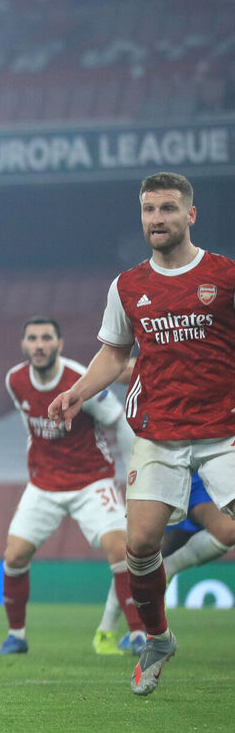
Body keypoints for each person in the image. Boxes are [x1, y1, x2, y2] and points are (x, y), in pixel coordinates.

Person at [48, 171, 235, 697]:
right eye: (150, 209)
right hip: (159, 432)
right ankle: (158, 638)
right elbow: (114, 354)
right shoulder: (127, 286)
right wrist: (78, 392)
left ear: (190, 215)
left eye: (168, 208)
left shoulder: (224, 276)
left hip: (224, 430)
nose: (157, 218)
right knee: (140, 544)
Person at [0, 316, 142, 657]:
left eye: (46, 338)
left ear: (59, 344)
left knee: (120, 549)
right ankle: (16, 637)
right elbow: (30, 422)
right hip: (44, 483)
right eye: (32, 338)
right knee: (14, 555)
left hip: (91, 480)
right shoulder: (15, 380)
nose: (39, 345)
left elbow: (118, 422)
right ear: (23, 344)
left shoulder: (80, 380)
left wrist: (135, 478)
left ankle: (138, 634)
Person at [97, 471, 235, 654]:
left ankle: (167, 570)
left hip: (203, 477)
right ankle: (107, 631)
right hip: (164, 473)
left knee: (228, 530)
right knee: (140, 550)